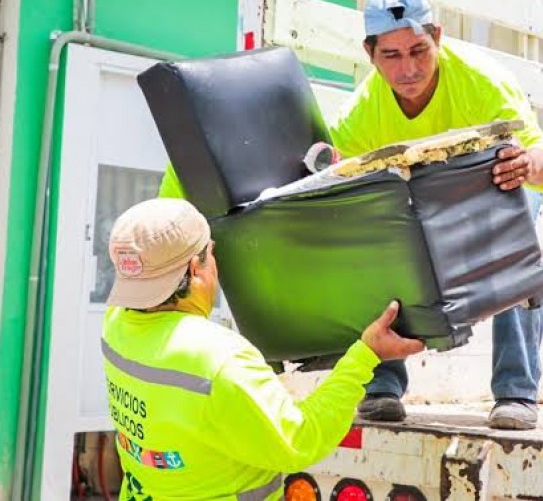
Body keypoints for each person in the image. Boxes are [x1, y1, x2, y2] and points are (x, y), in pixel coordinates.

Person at [329, 0, 543, 430]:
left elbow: (542, 157)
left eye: (419, 50)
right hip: (423, 194)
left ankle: (516, 391)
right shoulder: (358, 115)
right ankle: (381, 386)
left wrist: (528, 163)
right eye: (391, 56)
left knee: (518, 251)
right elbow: (335, 182)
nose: (409, 69)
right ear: (370, 54)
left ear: (437, 36)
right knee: (367, 244)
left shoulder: (481, 80)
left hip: (496, 181)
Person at [101, 197, 424, 500]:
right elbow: (300, 439)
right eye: (211, 254)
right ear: (193, 269)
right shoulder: (219, 360)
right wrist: (366, 356)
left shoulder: (115, 324)